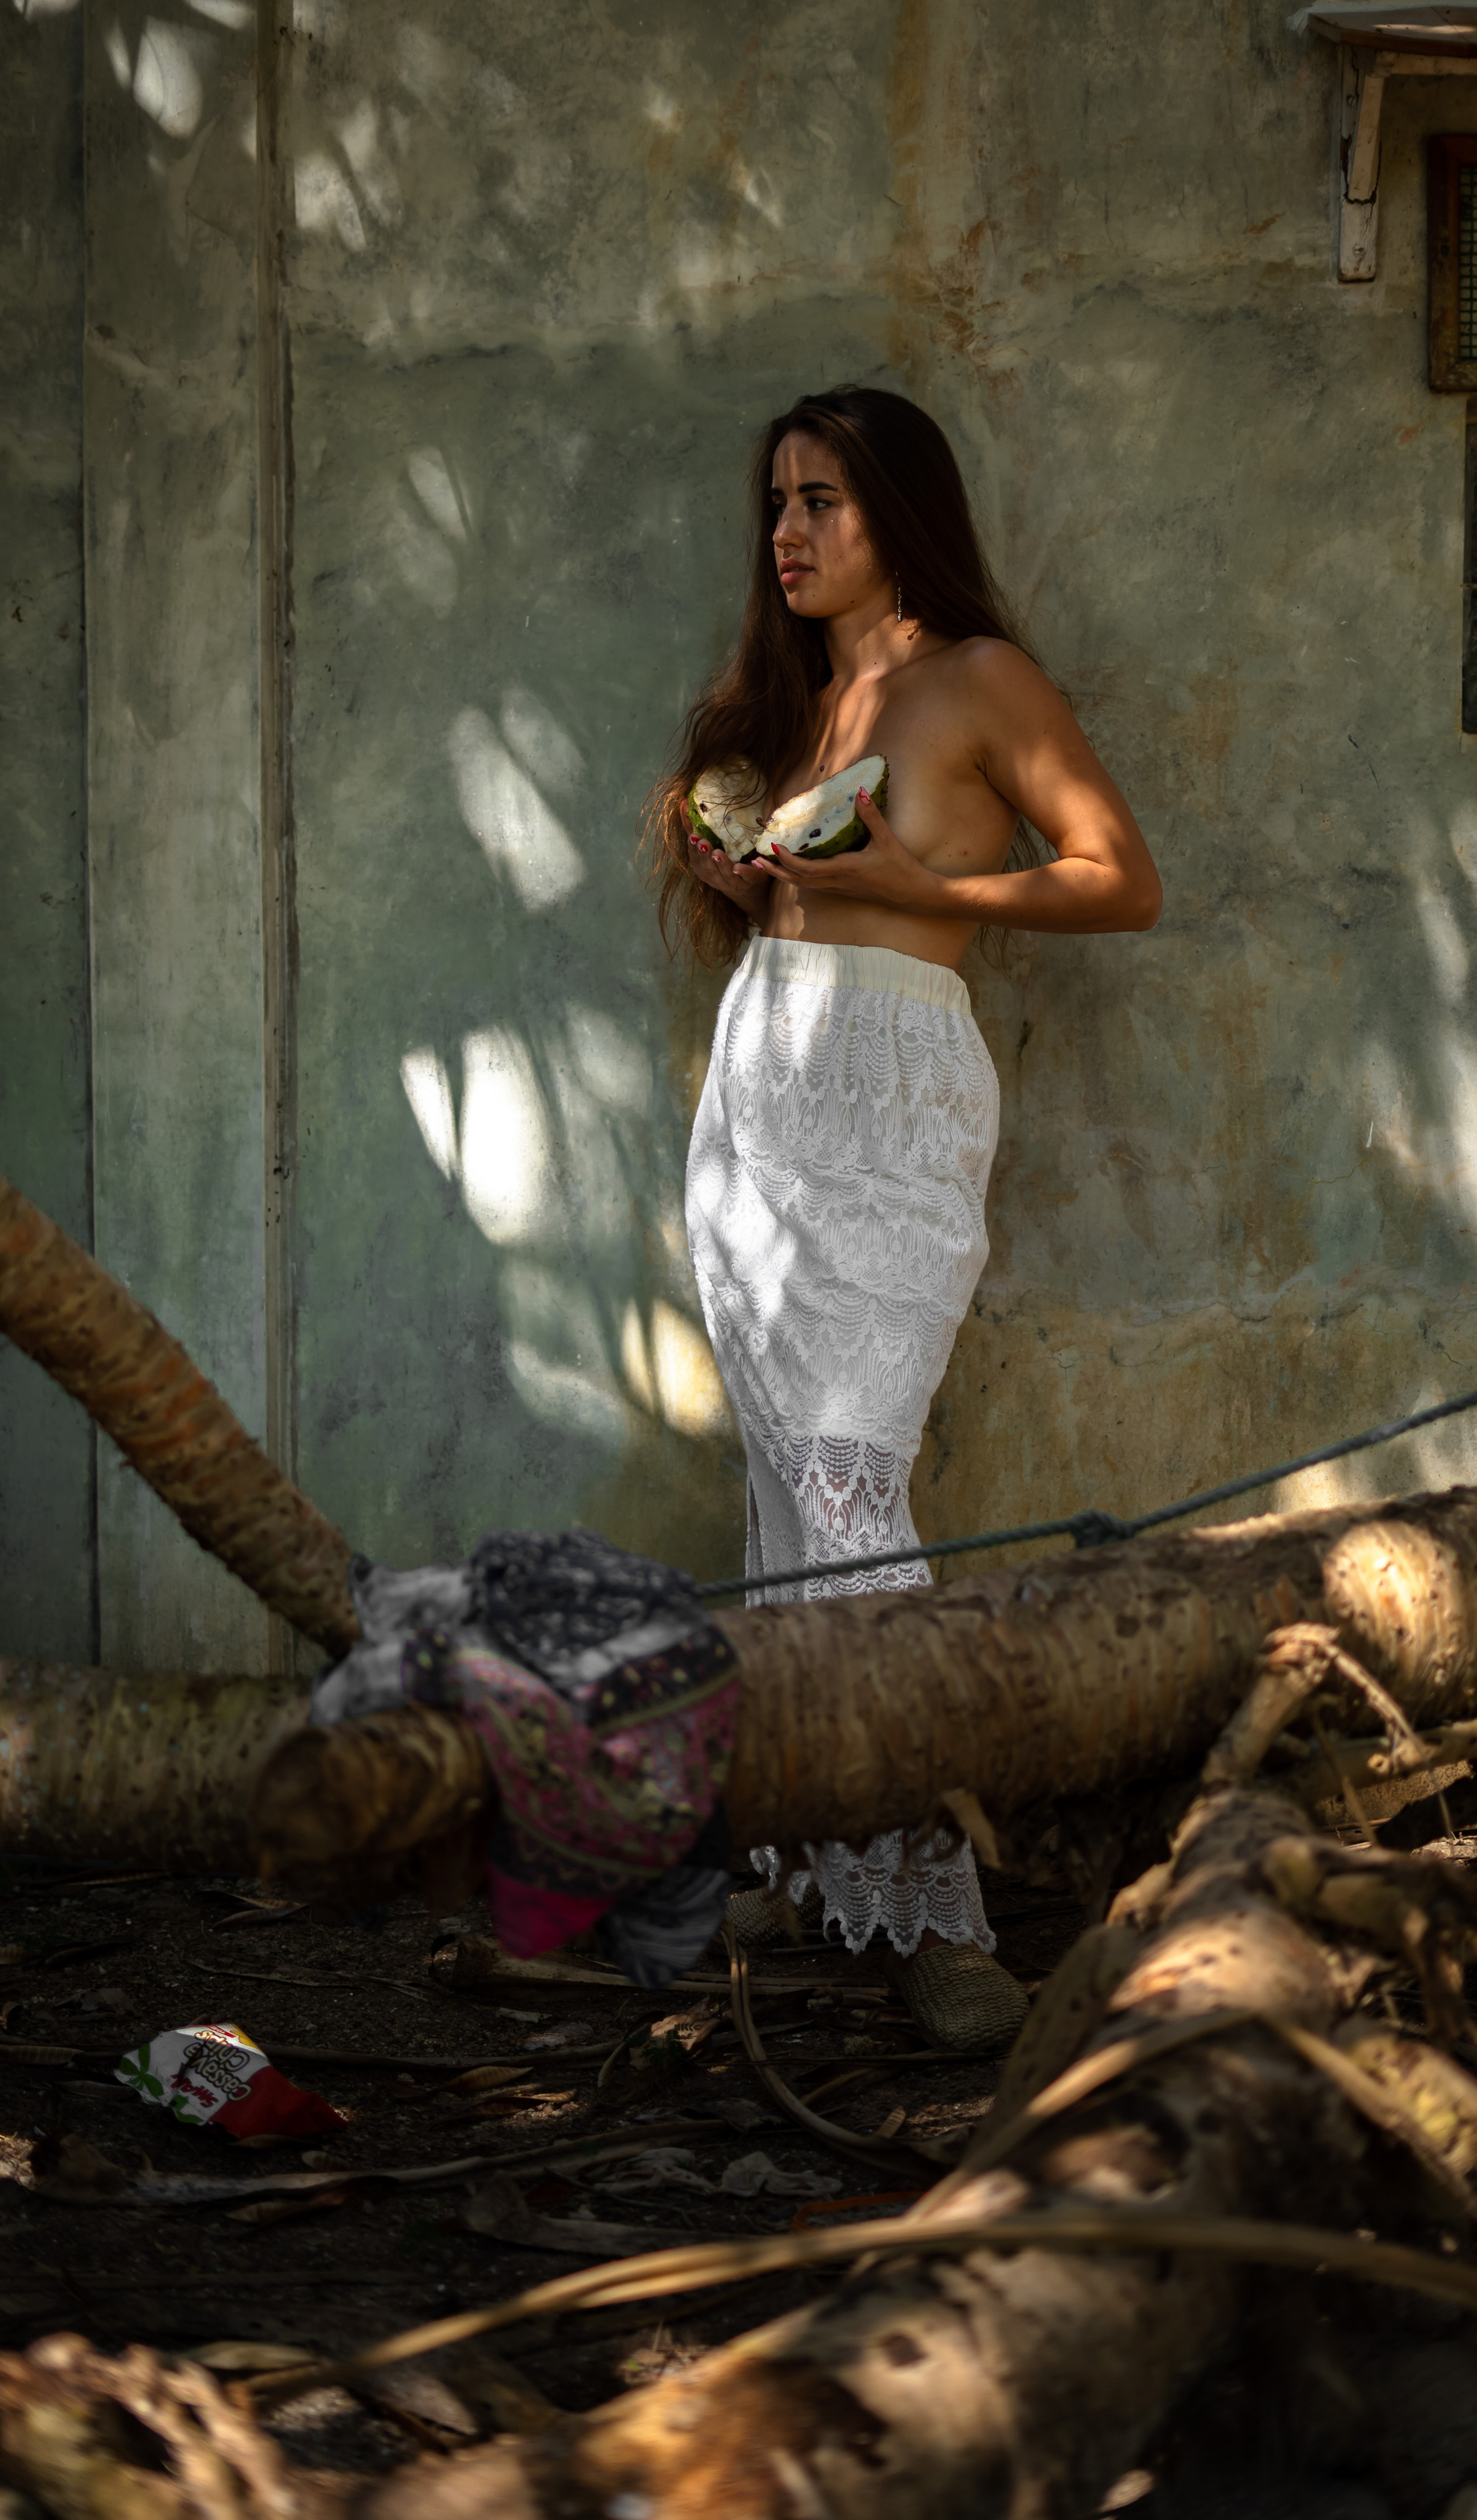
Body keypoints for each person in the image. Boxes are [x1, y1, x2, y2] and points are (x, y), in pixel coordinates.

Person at [643, 385, 1161, 2052]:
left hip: (896, 1103)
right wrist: (737, 862)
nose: (786, 533)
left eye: (825, 505)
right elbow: (785, 890)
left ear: (901, 516)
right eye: (775, 503)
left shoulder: (977, 680)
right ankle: (806, 1842)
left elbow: (1114, 877)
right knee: (785, 1487)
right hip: (761, 1094)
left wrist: (926, 892)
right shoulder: (793, 700)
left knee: (858, 1476)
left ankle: (937, 1906)